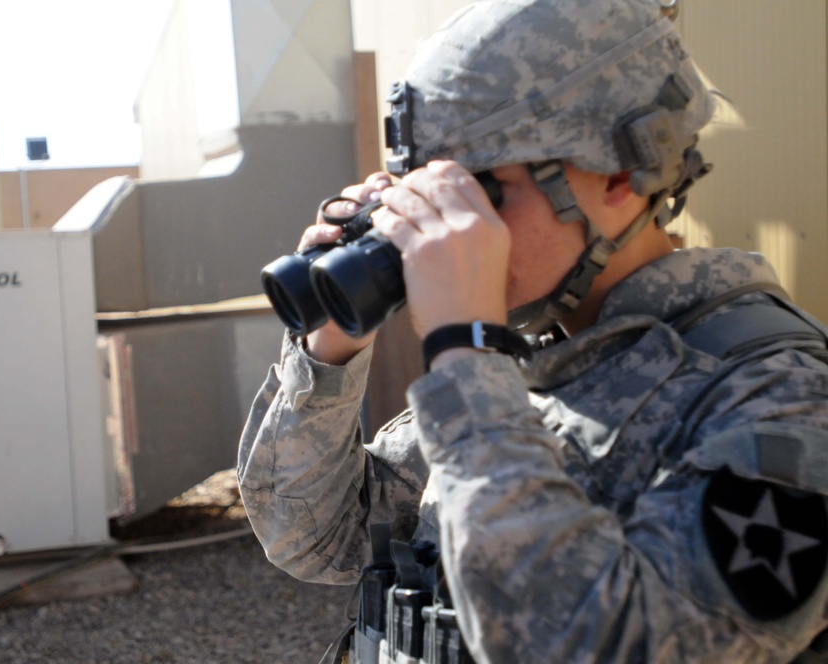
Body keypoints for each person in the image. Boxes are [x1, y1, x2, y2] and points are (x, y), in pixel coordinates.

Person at [238, 0, 828, 661]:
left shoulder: (780, 396)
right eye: (432, 191)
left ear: (617, 175)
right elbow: (316, 538)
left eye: (480, 193)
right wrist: (333, 339)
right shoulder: (534, 365)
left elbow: (594, 645)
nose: (450, 227)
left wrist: (464, 357)